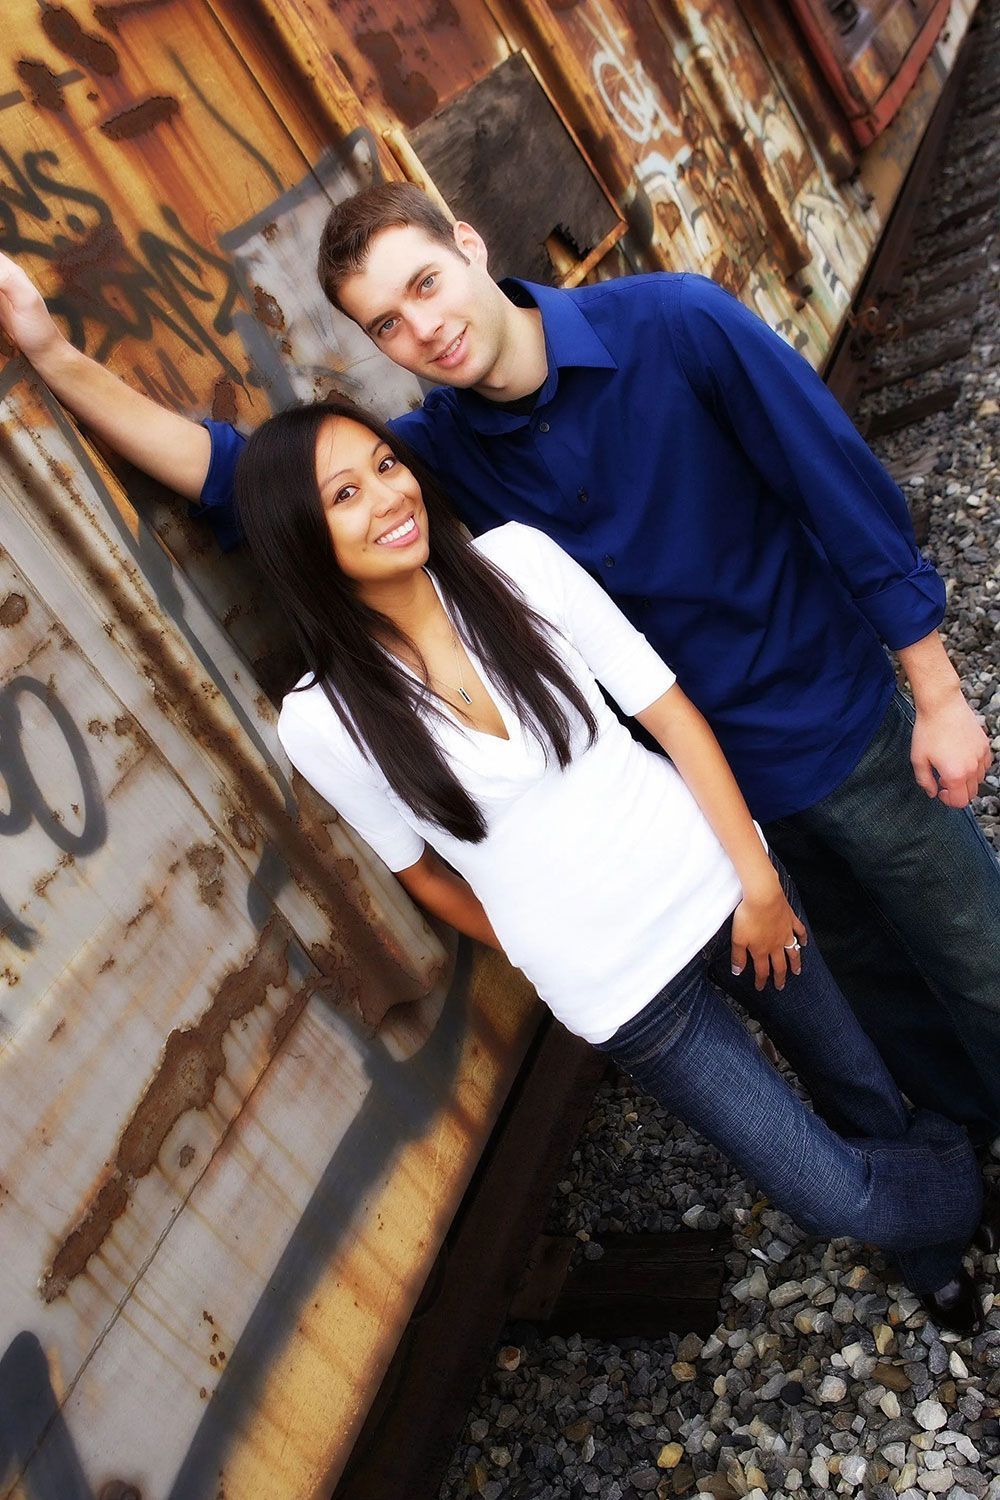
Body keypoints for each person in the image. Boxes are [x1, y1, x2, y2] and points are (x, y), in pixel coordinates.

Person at [1, 185, 998, 1139]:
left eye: (424, 284)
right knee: (871, 983)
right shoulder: (432, 454)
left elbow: (837, 485)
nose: (422, 329)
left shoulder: (675, 325)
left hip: (831, 724)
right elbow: (235, 476)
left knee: (973, 951)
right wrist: (48, 350)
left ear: (467, 246)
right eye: (385, 323)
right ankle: (968, 1134)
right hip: (709, 793)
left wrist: (937, 690)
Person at [232, 394, 989, 1333]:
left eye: (387, 465)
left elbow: (668, 713)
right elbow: (421, 874)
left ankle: (930, 1253)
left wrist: (755, 877)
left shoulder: (517, 563)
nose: (391, 495)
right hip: (624, 996)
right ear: (301, 536)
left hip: (723, 891)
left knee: (860, 1087)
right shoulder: (322, 720)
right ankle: (958, 1188)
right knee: (824, 1190)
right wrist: (545, 948)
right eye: (346, 492)